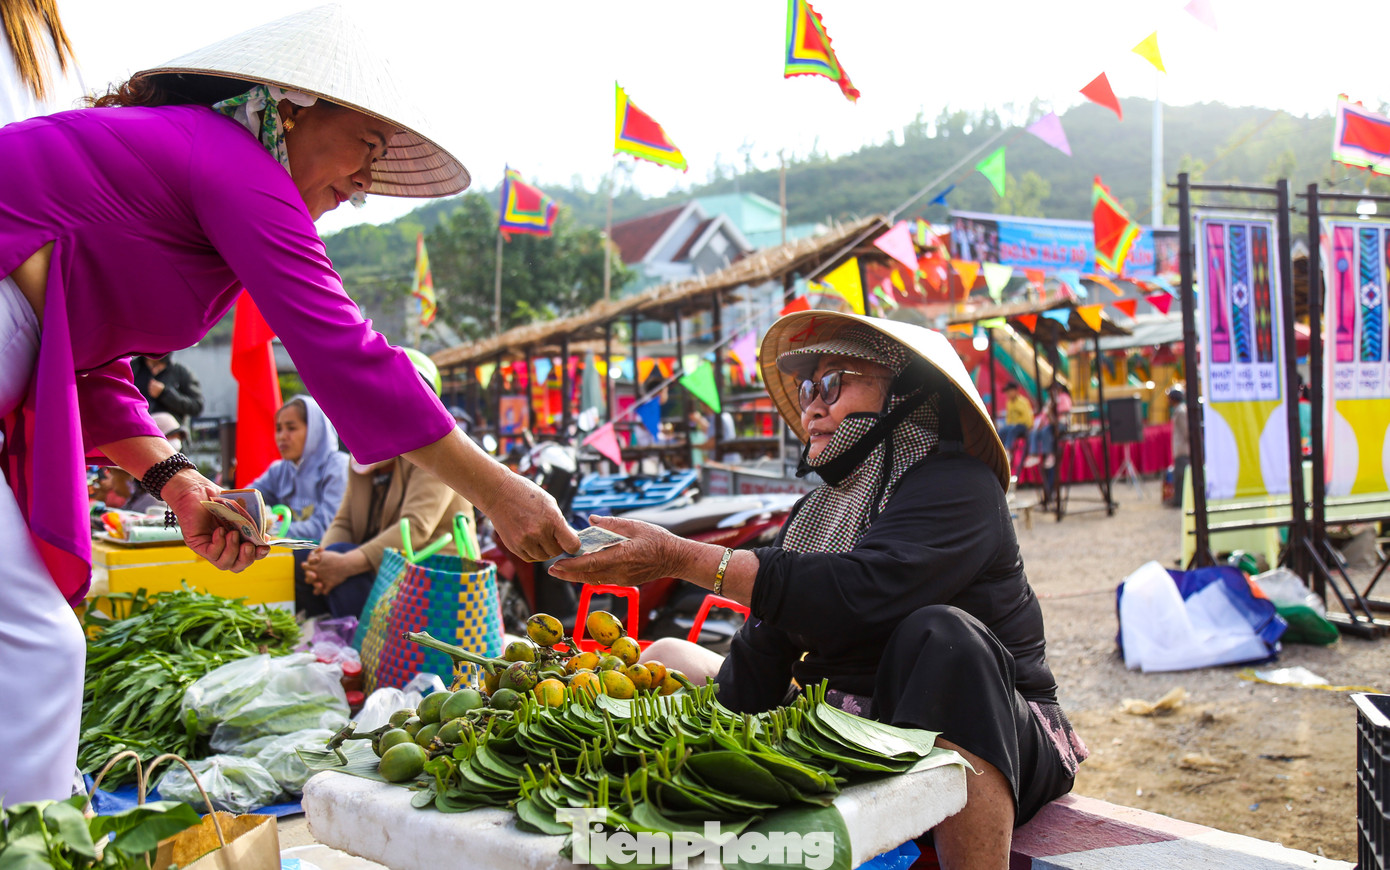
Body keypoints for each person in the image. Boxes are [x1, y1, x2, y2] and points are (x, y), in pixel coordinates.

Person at [0, 7, 578, 803]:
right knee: (34, 644)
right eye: (368, 147)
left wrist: (180, 482)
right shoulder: (229, 159)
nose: (369, 184)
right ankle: (32, 842)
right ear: (297, 104)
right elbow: (346, 351)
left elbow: (93, 370)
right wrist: (501, 489)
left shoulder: (204, 171)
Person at [550, 312, 1086, 870]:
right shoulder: (815, 514)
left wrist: (680, 557)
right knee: (667, 656)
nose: (813, 406)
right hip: (854, 724)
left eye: (834, 383)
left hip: (993, 732)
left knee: (944, 636)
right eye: (808, 389)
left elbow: (855, 597)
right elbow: (761, 659)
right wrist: (680, 751)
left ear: (907, 391)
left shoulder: (960, 487)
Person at [303, 354, 467, 619]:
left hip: (432, 578)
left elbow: (415, 528)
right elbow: (344, 521)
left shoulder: (439, 451)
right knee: (308, 564)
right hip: (385, 569)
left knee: (342, 561)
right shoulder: (364, 454)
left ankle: (362, 650)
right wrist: (321, 561)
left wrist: (344, 563)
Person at [248, 394, 348, 542]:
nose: (282, 436)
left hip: (330, 556)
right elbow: (247, 500)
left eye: (291, 428)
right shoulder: (279, 470)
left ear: (316, 430)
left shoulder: (338, 466)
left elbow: (328, 527)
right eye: (279, 429)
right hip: (290, 554)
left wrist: (271, 528)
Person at [131, 353, 205, 428]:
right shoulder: (132, 368)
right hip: (137, 432)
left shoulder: (180, 372)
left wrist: (165, 393)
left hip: (172, 435)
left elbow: (197, 406)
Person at [1165, 385, 1190, 508]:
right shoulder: (1179, 410)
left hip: (1183, 451)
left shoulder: (1180, 412)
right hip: (1181, 450)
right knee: (1179, 477)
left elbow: (1186, 431)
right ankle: (1178, 500)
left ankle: (1180, 501)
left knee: (1181, 477)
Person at [997, 382, 1033, 450]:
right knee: (1002, 431)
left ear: (1015, 391)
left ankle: (1008, 450)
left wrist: (1029, 427)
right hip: (1012, 426)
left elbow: (1028, 417)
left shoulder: (1023, 402)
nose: (1007, 394)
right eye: (1006, 392)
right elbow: (1009, 417)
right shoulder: (1009, 403)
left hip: (1022, 426)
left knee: (1013, 430)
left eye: (1009, 391)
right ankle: (1000, 449)